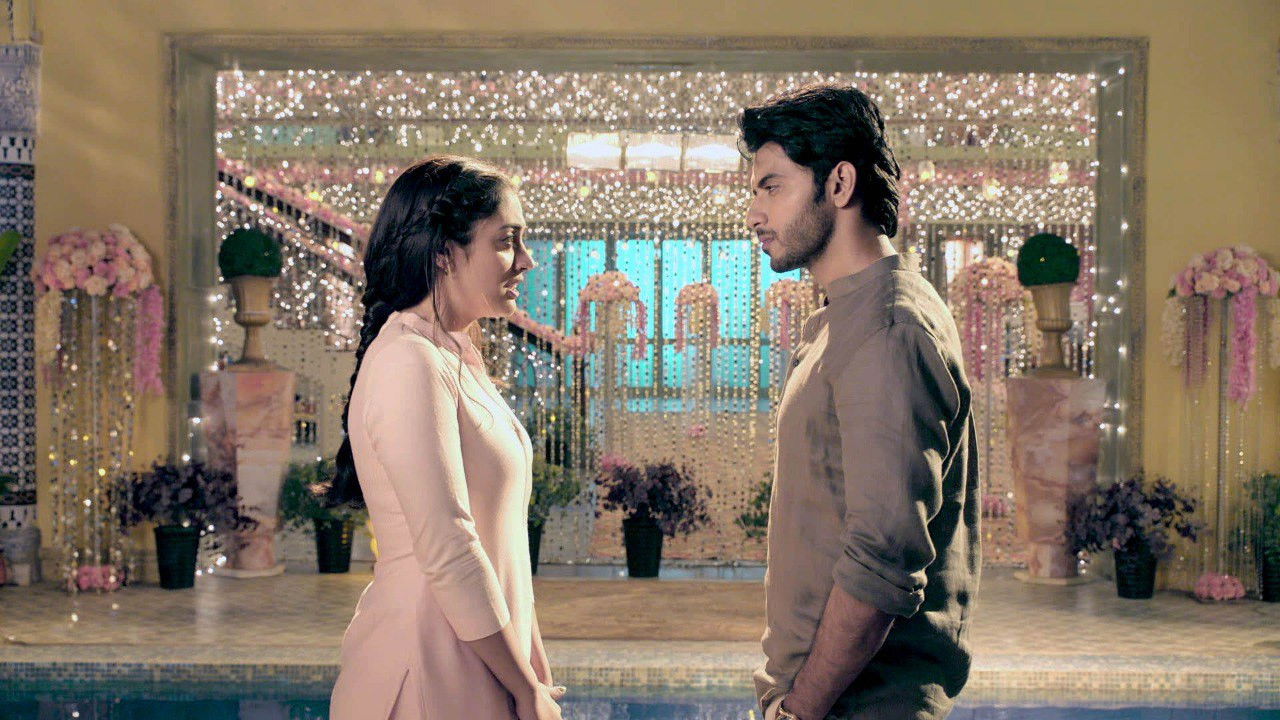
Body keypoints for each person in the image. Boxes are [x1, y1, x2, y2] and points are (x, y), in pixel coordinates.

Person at [740, 83, 980, 720]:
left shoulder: (888, 328)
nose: (754, 213)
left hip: (857, 705)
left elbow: (883, 560)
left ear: (839, 183)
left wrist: (800, 710)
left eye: (772, 187)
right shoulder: (845, 317)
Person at [328, 155, 564, 720]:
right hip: (426, 667)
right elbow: (449, 547)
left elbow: (501, 544)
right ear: (442, 252)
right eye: (506, 241)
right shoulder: (409, 360)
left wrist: (531, 673)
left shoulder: (454, 353)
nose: (526, 260)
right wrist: (523, 686)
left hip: (477, 658)